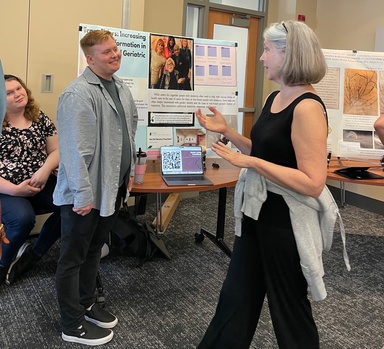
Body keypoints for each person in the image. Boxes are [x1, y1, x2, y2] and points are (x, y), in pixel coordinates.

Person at [196, 20, 331, 348]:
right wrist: (228, 133)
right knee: (235, 299)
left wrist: (251, 163)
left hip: (285, 223)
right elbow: (266, 152)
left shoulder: (308, 108)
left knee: (289, 311)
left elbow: (313, 183)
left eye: (268, 50)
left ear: (289, 55)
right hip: (256, 214)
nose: (262, 58)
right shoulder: (275, 97)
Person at [53, 29, 138, 346]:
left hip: (110, 191)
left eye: (115, 49)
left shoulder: (121, 88)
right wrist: (83, 196)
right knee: (72, 258)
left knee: (93, 253)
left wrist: (127, 179)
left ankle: (87, 304)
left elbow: (129, 133)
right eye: (106, 52)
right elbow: (76, 152)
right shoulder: (78, 94)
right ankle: (71, 324)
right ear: (89, 58)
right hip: (84, 196)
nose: (115, 54)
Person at [0, 74, 61, 286]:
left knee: (71, 205)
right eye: (9, 92)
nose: (18, 94)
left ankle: (33, 255)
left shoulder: (39, 117)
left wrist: (44, 170)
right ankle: (3, 264)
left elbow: (56, 150)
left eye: (19, 88)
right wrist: (16, 190)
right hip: (7, 188)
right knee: (22, 220)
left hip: (40, 181)